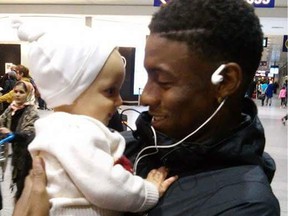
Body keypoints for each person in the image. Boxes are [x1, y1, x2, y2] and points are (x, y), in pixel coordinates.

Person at [13, 0, 281, 215]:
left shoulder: (245, 204)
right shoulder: (124, 145)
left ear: (225, 81)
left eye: (163, 81)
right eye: (147, 77)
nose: (145, 98)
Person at [12, 20, 177, 216]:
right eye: (110, 91)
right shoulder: (73, 131)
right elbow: (107, 185)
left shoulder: (58, 129)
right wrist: (149, 190)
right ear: (72, 92)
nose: (119, 101)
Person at [0, 81, 39, 201]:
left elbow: (29, 134)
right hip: (17, 154)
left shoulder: (32, 111)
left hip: (27, 155)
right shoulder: (11, 108)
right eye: (15, 91)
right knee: (18, 183)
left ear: (28, 94)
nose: (17, 95)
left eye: (21, 92)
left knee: (25, 189)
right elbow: (1, 121)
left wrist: (12, 134)